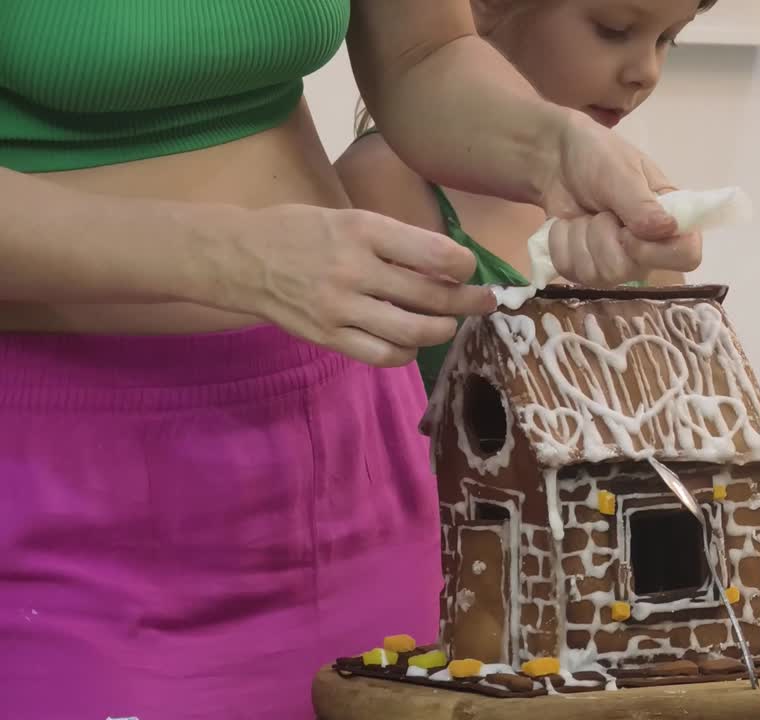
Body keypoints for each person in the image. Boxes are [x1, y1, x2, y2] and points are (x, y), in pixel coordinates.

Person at [0, 2, 708, 718]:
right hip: (67, 481)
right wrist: (232, 257)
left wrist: (557, 149)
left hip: (346, 436)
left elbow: (422, 57)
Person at [335, 0, 760, 523]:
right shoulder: (385, 186)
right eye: (614, 29)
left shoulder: (636, 215)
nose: (645, 71)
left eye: (667, 40)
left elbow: (679, 490)